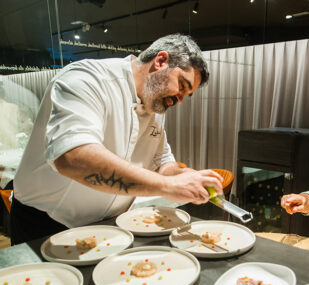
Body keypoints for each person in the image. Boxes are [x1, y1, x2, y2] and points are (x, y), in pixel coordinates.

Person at [10, 34, 223, 244]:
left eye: (186, 94)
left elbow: (161, 162)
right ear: (160, 62)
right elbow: (73, 157)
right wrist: (167, 185)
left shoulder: (155, 105)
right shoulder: (87, 79)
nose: (180, 99)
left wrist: (184, 175)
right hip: (44, 224)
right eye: (182, 86)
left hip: (108, 226)